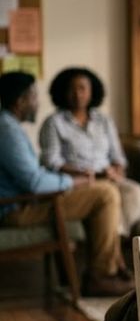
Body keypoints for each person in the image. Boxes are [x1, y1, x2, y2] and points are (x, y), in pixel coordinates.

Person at [0, 72, 132, 296]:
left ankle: (107, 269)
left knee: (113, 192)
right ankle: (102, 275)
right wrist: (73, 181)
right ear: (21, 101)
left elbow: (33, 176)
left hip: (26, 202)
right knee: (105, 194)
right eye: (34, 96)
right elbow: (35, 181)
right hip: (16, 209)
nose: (37, 102)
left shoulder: (9, 126)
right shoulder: (7, 130)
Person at [39, 67, 140, 236]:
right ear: (62, 92)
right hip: (77, 181)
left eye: (82, 88)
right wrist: (79, 172)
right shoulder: (54, 122)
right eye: (72, 89)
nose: (77, 94)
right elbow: (51, 160)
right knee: (110, 194)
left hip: (107, 177)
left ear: (92, 92)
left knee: (136, 193)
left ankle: (118, 237)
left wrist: (116, 171)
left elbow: (117, 156)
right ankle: (114, 245)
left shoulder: (104, 120)